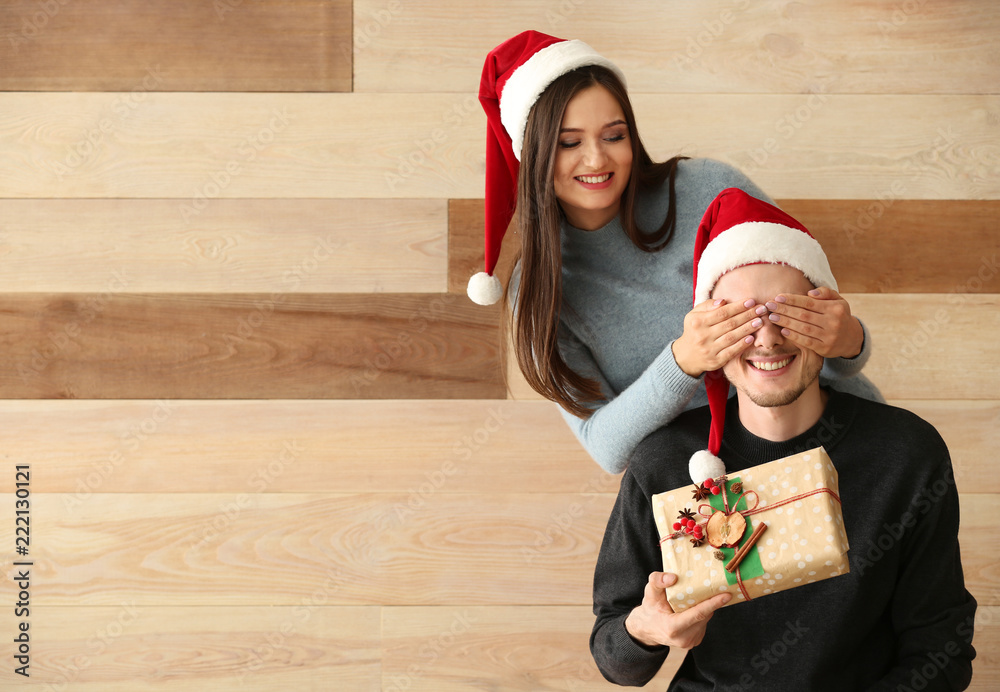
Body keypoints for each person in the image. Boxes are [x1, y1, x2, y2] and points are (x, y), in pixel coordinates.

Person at [590, 189, 977, 691]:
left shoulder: (905, 454)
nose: (768, 339)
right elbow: (614, 659)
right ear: (710, 333)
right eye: (741, 320)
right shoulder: (664, 463)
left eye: (786, 313)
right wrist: (644, 630)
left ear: (826, 317)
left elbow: (941, 651)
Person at [470, 30, 883, 474]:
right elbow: (607, 449)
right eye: (569, 143)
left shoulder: (706, 191)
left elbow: (828, 351)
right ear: (531, 153)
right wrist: (683, 361)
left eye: (614, 135)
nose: (596, 160)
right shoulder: (540, 290)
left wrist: (850, 342)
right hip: (711, 493)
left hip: (839, 444)